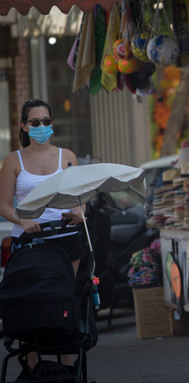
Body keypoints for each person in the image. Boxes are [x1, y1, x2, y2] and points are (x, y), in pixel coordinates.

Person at [0, 99, 86, 371]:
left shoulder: (67, 156)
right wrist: (21, 220)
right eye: (35, 122)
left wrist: (79, 212)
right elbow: (3, 203)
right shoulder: (13, 160)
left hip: (65, 239)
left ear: (52, 124)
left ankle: (67, 370)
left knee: (64, 302)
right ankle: (31, 370)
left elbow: (79, 196)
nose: (41, 127)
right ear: (24, 126)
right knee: (30, 303)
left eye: (46, 122)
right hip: (28, 242)